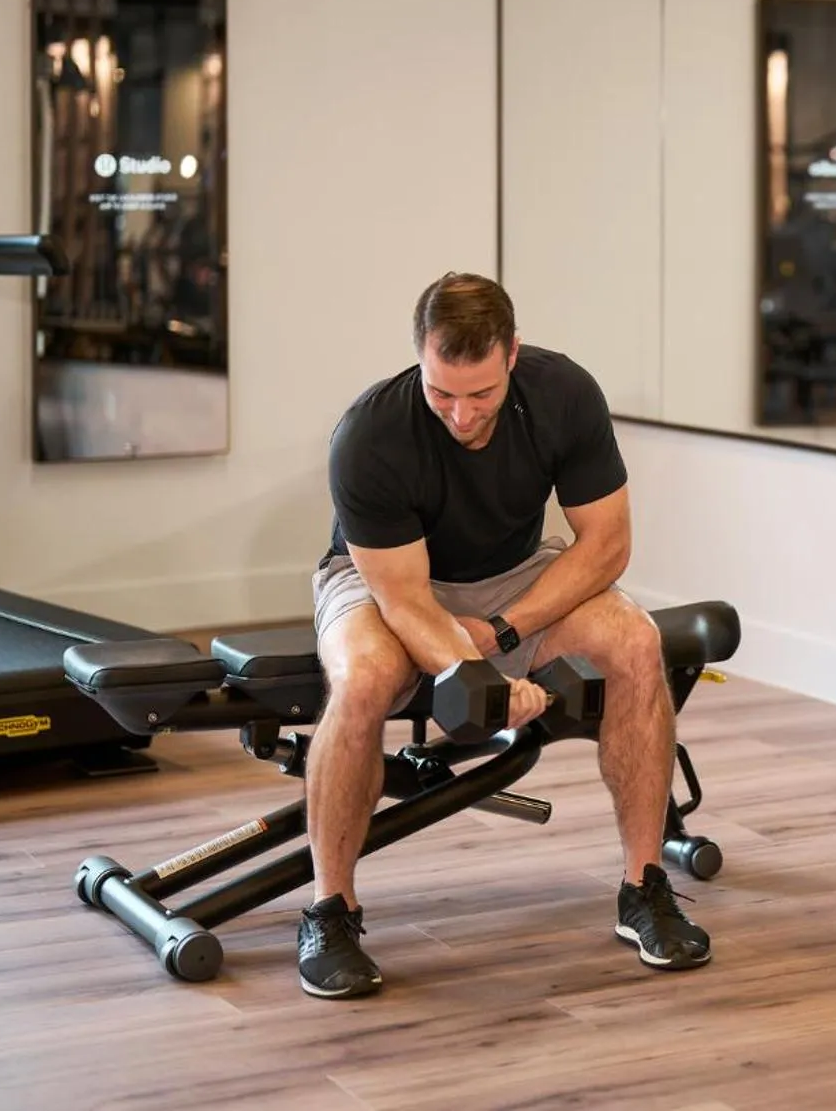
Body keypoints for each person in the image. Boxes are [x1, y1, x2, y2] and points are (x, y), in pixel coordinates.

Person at [298, 272, 709, 999]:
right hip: (385, 584)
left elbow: (607, 544)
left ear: (512, 354)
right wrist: (479, 681)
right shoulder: (370, 435)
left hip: (513, 577)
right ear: (419, 359)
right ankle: (331, 911)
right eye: (441, 392)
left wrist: (503, 630)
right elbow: (405, 599)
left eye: (480, 394)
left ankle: (644, 886)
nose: (460, 413)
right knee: (361, 679)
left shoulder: (564, 395)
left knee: (638, 642)